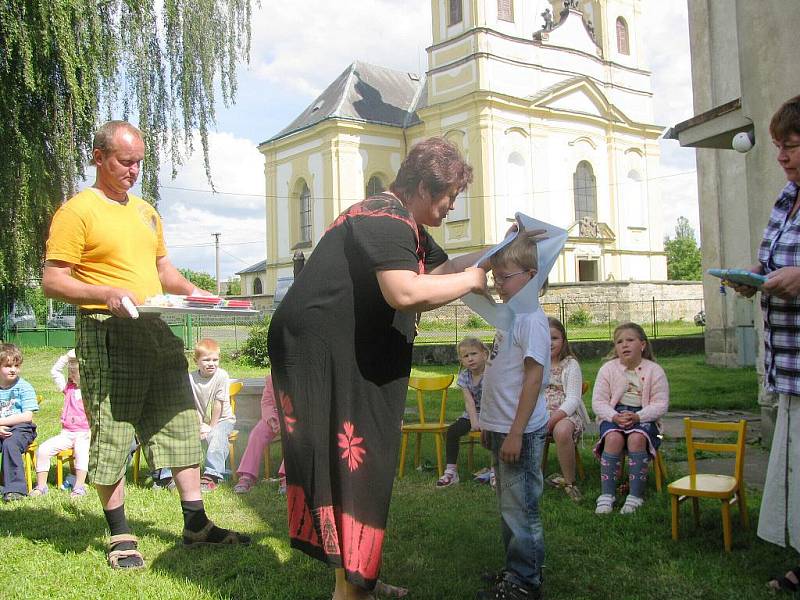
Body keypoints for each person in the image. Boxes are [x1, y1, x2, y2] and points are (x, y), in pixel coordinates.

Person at [267, 137, 490, 600]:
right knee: (354, 465)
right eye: (450, 197)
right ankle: (352, 590)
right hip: (322, 353)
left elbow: (445, 269)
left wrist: (501, 256)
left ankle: (358, 575)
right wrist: (473, 280)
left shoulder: (399, 221)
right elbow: (405, 292)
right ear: (426, 187)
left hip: (341, 348)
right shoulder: (385, 219)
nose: (452, 207)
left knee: (359, 461)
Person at [42, 120, 249, 570]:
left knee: (178, 418)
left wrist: (198, 294)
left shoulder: (146, 211)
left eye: (139, 163)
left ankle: (196, 522)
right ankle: (119, 533)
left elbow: (163, 271)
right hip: (107, 333)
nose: (134, 171)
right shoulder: (77, 211)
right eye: (125, 161)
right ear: (99, 157)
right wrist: (105, 293)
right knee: (114, 431)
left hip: (155, 330)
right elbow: (53, 280)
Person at [730, 96, 800, 593]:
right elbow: (769, 259)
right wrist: (752, 276)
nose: (781, 157)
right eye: (778, 147)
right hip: (789, 361)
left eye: (791, 146)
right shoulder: (784, 199)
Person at [477, 233, 550, 600]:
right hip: (503, 429)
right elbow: (474, 289)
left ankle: (526, 582)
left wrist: (516, 433)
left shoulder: (532, 320)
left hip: (519, 433)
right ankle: (515, 570)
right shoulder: (511, 316)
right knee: (510, 507)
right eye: (496, 278)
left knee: (521, 510)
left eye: (504, 277)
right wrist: (498, 252)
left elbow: (533, 378)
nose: (497, 284)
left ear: (531, 275)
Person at [591, 322, 669, 515]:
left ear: (642, 345)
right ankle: (607, 495)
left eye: (630, 340)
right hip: (614, 414)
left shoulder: (654, 370)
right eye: (619, 342)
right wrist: (614, 416)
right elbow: (598, 402)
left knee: (636, 438)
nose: (624, 345)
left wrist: (638, 416)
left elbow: (660, 405)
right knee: (614, 438)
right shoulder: (608, 369)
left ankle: (635, 496)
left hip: (645, 416)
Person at [31, 349, 90, 498]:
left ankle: (79, 487)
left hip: (84, 434)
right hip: (67, 434)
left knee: (81, 454)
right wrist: (66, 357)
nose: (71, 375)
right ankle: (41, 486)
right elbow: (55, 371)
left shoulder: (91, 392)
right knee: (43, 450)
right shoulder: (67, 389)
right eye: (70, 372)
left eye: (74, 372)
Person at [544, 317, 589, 502]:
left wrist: (553, 419)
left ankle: (570, 482)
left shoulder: (570, 365)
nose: (549, 342)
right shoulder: (533, 365)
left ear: (563, 340)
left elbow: (573, 399)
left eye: (554, 338)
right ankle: (526, 478)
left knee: (562, 431)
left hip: (565, 414)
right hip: (538, 413)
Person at [436, 337, 489, 488]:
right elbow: (469, 401)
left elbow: (491, 400)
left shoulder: (492, 374)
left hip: (492, 412)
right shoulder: (465, 376)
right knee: (452, 431)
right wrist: (474, 422)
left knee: (495, 432)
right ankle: (451, 471)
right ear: (461, 360)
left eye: (474, 354)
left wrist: (484, 421)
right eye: (466, 356)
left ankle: (496, 471)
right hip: (471, 414)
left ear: (484, 354)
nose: (470, 359)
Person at [189, 338, 235, 492]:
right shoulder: (190, 378)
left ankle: (212, 474)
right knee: (185, 434)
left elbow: (218, 404)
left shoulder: (221, 375)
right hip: (201, 420)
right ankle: (184, 472)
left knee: (216, 434)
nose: (211, 363)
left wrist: (210, 427)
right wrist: (199, 426)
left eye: (215, 359)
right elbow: (193, 405)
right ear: (196, 361)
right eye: (206, 360)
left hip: (223, 419)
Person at [0, 343, 39, 502]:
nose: (13, 369)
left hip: (22, 428)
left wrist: (1, 422)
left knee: (10, 444)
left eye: (16, 365)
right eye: (8, 365)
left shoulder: (24, 387)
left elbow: (27, 416)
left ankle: (16, 490)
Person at [233, 375, 280, 494]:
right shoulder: (271, 379)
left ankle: (287, 477)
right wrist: (271, 419)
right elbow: (266, 402)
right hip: (274, 416)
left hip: (295, 418)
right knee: (257, 434)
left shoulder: (302, 377)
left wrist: (286, 421)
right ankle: (247, 476)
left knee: (294, 436)